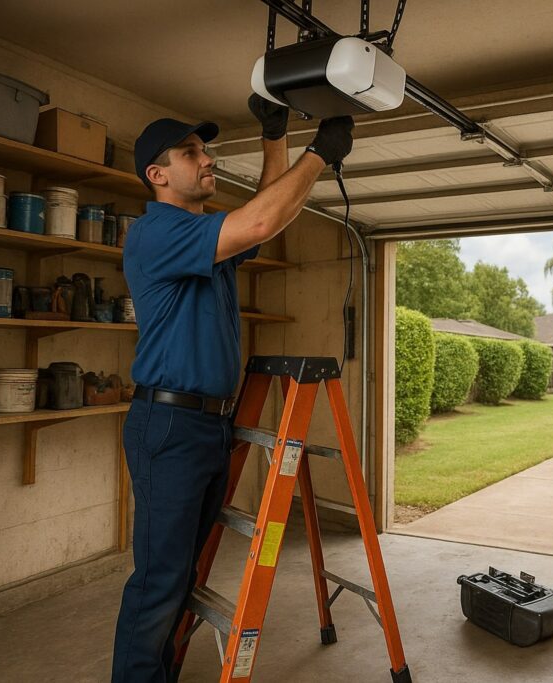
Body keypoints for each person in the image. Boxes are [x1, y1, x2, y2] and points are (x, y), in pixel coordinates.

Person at [111, 95, 354, 683]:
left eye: (205, 148)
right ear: (158, 174)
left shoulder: (201, 238)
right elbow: (263, 220)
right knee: (160, 578)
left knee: (183, 572)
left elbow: (263, 215)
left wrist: (276, 139)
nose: (206, 158)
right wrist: (318, 154)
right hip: (169, 427)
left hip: (206, 426)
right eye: (190, 152)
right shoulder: (157, 233)